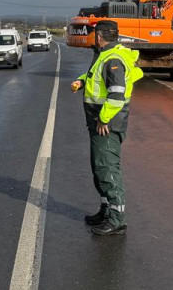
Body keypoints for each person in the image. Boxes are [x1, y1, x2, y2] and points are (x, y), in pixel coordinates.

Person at [70, 20, 143, 236]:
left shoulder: (113, 59)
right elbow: (98, 80)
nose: (93, 37)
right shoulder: (105, 55)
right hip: (99, 124)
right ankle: (106, 210)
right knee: (99, 169)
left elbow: (116, 96)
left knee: (107, 170)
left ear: (100, 36)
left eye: (94, 34)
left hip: (107, 126)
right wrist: (82, 81)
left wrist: (103, 120)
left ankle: (117, 219)